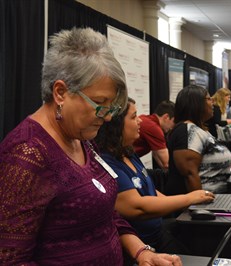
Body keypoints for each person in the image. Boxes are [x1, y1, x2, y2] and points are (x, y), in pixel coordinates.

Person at [0, 28, 181, 265]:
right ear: (61, 93)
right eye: (99, 104)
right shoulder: (27, 154)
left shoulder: (82, 140)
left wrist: (141, 252)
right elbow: (11, 259)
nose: (107, 118)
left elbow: (103, 213)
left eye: (111, 107)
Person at [95, 97, 215, 254]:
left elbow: (150, 191)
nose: (140, 121)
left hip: (158, 233)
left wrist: (181, 204)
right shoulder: (106, 163)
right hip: (140, 245)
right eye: (133, 117)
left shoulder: (128, 152)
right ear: (115, 125)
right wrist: (190, 198)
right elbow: (138, 207)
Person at [165, 85, 231, 196]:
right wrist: (200, 206)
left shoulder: (199, 129)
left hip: (215, 200)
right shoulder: (185, 131)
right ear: (196, 103)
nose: (212, 102)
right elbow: (190, 174)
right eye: (209, 99)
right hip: (199, 207)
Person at [134, 100, 175, 169]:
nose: (172, 127)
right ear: (166, 117)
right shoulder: (154, 128)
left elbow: (156, 154)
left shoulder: (145, 118)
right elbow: (167, 163)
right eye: (174, 121)